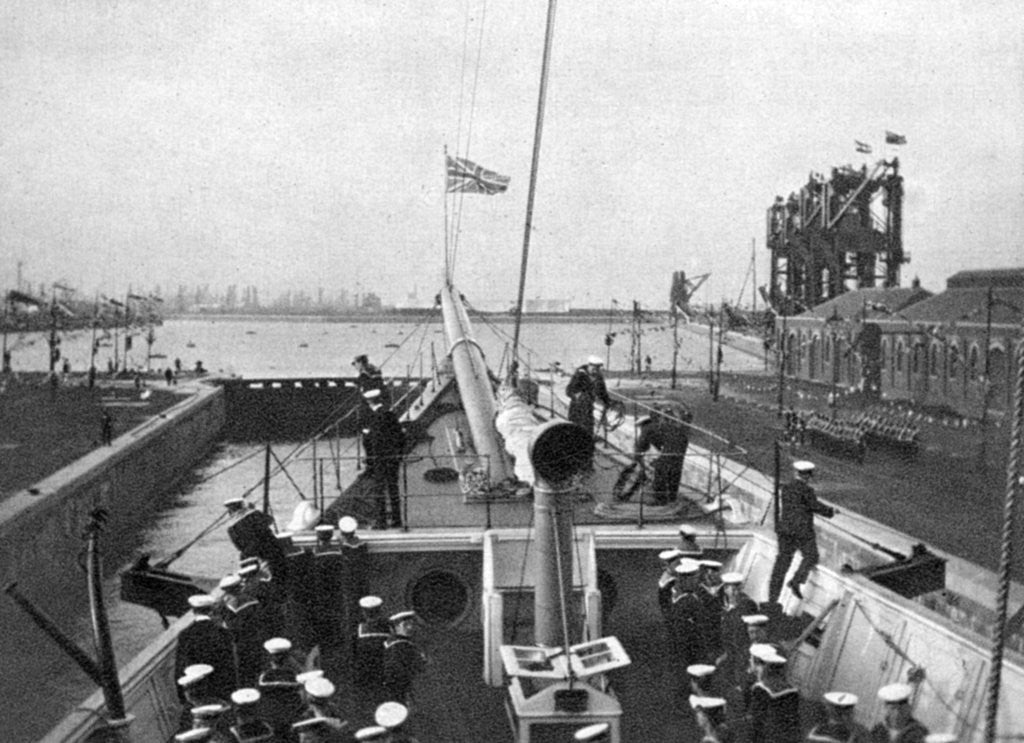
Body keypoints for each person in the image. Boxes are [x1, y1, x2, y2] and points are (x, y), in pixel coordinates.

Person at [767, 460, 836, 604]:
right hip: (802, 532)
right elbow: (815, 506)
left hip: (785, 530)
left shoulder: (786, 488)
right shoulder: (807, 490)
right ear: (808, 475)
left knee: (782, 563)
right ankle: (796, 580)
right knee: (811, 556)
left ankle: (772, 599)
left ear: (796, 473)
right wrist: (831, 511)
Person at [362, 389, 407, 529]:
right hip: (392, 459)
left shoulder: (377, 417)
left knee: (379, 490)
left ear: (369, 402)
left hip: (380, 459)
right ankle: (397, 519)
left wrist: (370, 460)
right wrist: (398, 455)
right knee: (393, 489)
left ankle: (380, 522)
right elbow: (400, 437)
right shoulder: (390, 414)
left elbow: (375, 441)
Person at [634, 405, 691, 505]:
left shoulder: (647, 429)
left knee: (660, 467)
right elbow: (659, 445)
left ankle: (660, 499)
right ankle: (672, 497)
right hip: (682, 440)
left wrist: (641, 463)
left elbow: (640, 447)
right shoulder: (659, 427)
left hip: (673, 443)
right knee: (675, 468)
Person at [566, 355, 611, 465]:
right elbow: (568, 391)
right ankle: (572, 460)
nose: (595, 370)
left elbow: (603, 393)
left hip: (588, 411)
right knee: (575, 435)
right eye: (594, 367)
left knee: (588, 435)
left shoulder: (598, 378)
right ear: (589, 365)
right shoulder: (579, 375)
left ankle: (587, 462)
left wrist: (608, 402)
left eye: (598, 368)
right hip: (576, 411)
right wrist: (577, 396)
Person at [382, 610, 426, 704]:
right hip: (402, 693)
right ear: (396, 627)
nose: (410, 627)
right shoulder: (398, 646)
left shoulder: (409, 643)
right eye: (405, 625)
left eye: (412, 624)